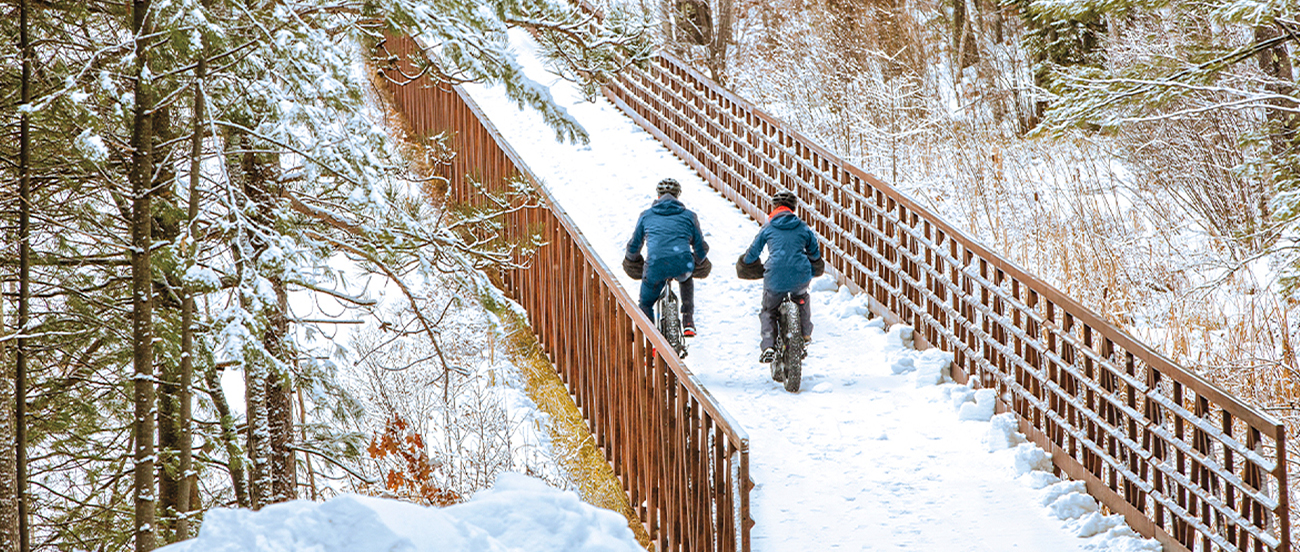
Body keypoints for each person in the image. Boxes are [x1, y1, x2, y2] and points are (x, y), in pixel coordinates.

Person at [736, 190, 824, 362]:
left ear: (775, 208)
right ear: (793, 208)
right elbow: (814, 253)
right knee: (802, 298)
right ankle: (805, 335)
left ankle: (768, 345)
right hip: (800, 274)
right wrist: (814, 263)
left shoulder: (768, 228)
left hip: (775, 275)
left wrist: (745, 263)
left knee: (769, 310)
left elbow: (753, 253)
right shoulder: (803, 227)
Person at [622, 178, 712, 336]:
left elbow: (634, 246)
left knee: (646, 302)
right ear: (678, 196)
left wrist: (633, 260)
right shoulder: (689, 216)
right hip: (681, 262)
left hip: (655, 264)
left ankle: (650, 337)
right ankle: (688, 319)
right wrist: (696, 262)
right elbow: (701, 248)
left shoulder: (647, 216)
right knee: (686, 275)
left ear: (658, 195)